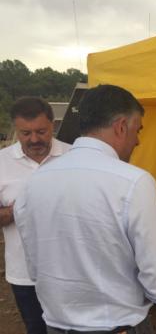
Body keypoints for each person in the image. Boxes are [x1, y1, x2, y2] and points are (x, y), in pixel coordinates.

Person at [14, 85, 156, 334]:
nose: (138, 140)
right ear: (121, 126)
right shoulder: (134, 182)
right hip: (117, 324)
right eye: (137, 130)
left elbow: (35, 267)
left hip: (56, 325)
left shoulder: (34, 182)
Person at [0, 97, 71, 334]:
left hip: (72, 270)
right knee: (37, 328)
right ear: (16, 130)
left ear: (53, 124)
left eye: (41, 131)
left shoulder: (75, 157)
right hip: (24, 273)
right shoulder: (2, 162)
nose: (34, 139)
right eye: (25, 133)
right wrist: (17, 210)